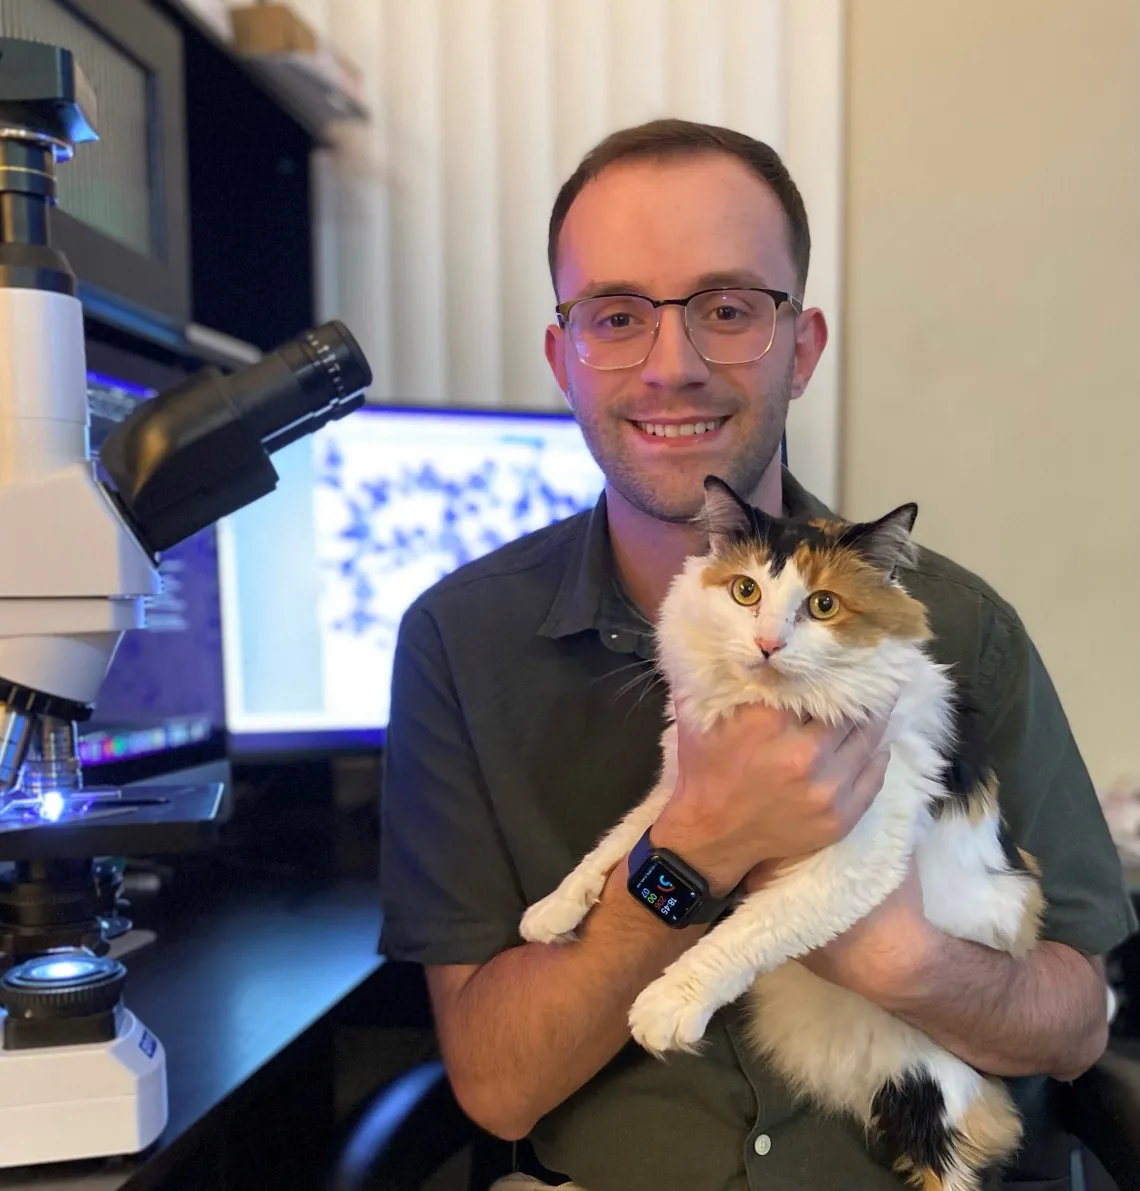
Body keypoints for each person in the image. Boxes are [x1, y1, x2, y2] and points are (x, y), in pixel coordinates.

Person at [378, 119, 1136, 1191]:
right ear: (564, 358)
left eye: (729, 309)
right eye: (617, 316)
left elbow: (1077, 1027)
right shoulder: (461, 643)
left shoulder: (959, 629)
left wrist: (903, 963)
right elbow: (497, 1088)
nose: (672, 367)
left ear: (803, 345)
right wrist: (690, 854)